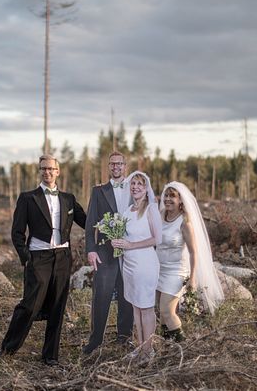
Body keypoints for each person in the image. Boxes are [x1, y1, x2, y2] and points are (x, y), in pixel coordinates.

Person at [0, 154, 86, 366]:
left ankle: (50, 356)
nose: (47, 172)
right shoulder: (28, 198)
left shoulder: (68, 199)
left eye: (51, 169)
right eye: (43, 169)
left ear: (58, 172)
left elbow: (87, 221)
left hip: (63, 258)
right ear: (40, 172)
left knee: (58, 307)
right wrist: (26, 257)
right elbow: (17, 232)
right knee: (30, 305)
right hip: (38, 258)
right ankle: (8, 350)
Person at [156, 181, 224, 341]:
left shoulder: (184, 223)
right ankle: (168, 345)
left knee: (167, 311)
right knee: (162, 313)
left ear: (180, 201)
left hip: (176, 272)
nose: (167, 199)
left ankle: (183, 345)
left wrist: (192, 279)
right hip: (159, 270)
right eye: (166, 195)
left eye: (172, 196)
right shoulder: (160, 216)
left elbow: (194, 253)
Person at [83, 151, 134, 355]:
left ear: (125, 166)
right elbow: (89, 225)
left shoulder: (135, 189)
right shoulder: (98, 191)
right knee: (101, 297)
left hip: (131, 253)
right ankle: (95, 341)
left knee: (127, 296)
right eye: (112, 164)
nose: (116, 167)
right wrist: (91, 250)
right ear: (108, 167)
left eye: (119, 164)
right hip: (105, 252)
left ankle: (125, 338)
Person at [110, 171, 162, 362]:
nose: (135, 187)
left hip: (145, 264)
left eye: (140, 184)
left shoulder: (151, 209)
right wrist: (118, 242)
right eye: (133, 184)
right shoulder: (126, 212)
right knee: (135, 307)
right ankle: (140, 347)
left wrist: (132, 245)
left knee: (146, 307)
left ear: (146, 188)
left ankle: (148, 351)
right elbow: (126, 238)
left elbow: (158, 238)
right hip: (129, 265)